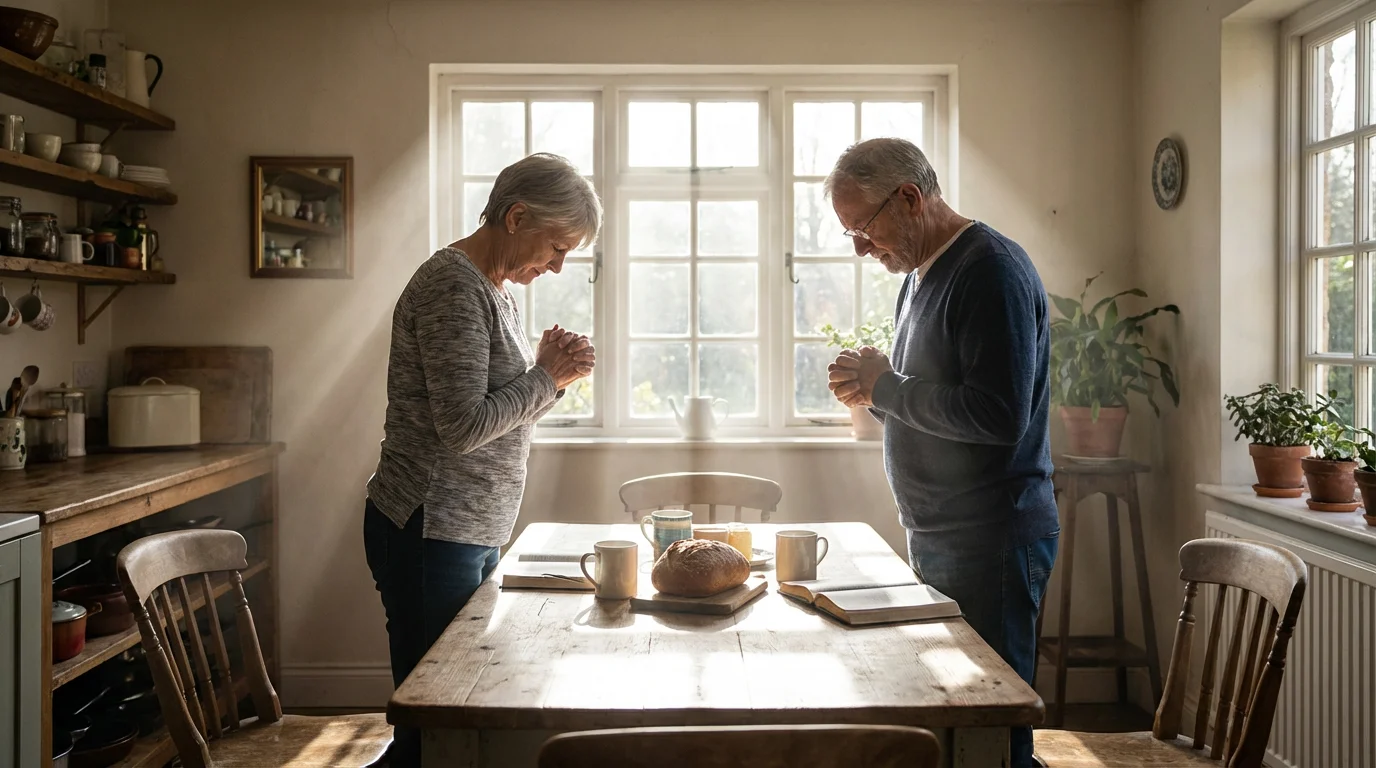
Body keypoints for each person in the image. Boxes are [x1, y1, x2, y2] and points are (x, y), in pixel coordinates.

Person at [824, 138, 1059, 768]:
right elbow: (937, 400)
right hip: (943, 533)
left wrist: (889, 387)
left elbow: (998, 416)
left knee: (993, 726)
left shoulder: (991, 270)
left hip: (992, 539)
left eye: (863, 228)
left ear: (909, 198)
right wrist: (874, 393)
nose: (859, 247)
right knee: (955, 725)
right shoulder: (920, 274)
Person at [363, 152, 602, 767]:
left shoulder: (495, 290)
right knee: (433, 723)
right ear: (517, 216)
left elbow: (500, 416)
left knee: (450, 717)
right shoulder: (453, 285)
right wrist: (545, 378)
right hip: (429, 527)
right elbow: (464, 427)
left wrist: (552, 376)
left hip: (464, 527)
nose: (557, 266)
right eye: (556, 247)